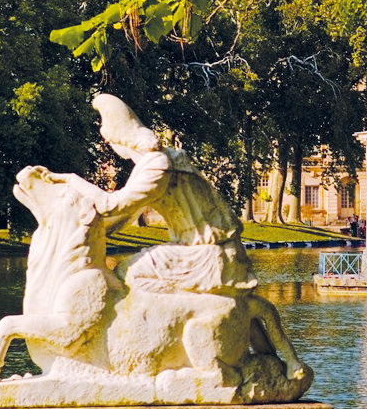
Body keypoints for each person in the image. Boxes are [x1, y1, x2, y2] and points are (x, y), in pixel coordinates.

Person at [52, 94, 257, 296]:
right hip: (205, 249)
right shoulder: (163, 159)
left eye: (109, 140)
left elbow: (111, 206)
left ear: (118, 139)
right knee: (129, 271)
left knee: (126, 273)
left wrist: (72, 180)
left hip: (209, 254)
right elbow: (119, 218)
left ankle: (177, 316)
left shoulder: (157, 166)